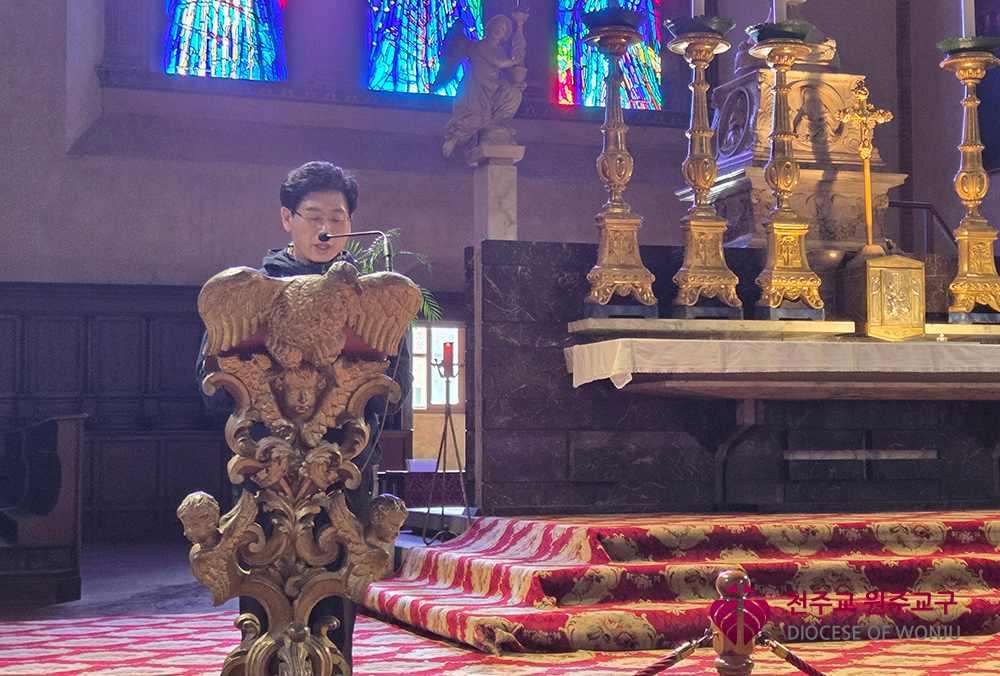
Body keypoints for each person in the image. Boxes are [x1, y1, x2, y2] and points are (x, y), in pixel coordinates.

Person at [196, 161, 411, 668]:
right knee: (263, 589)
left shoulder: (366, 296)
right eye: (314, 216)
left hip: (340, 467)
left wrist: (352, 441)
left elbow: (390, 391)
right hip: (266, 465)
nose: (325, 229)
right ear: (286, 218)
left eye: (338, 218)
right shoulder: (253, 290)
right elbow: (212, 388)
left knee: (335, 597)